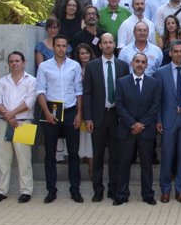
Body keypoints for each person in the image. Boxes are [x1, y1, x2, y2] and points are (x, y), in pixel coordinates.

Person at [36, 34, 83, 204]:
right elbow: (40, 90)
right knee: (50, 154)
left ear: (67, 47)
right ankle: (51, 190)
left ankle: (75, 189)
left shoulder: (75, 66)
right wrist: (47, 113)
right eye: (58, 46)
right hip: (51, 112)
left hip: (70, 110)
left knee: (73, 153)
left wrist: (79, 113)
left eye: (64, 46)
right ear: (53, 47)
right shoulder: (44, 67)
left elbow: (79, 91)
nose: (61, 48)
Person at [83, 33, 130, 202]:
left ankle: (113, 188)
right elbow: (87, 94)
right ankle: (98, 190)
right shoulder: (91, 66)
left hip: (117, 117)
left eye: (111, 42)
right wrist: (87, 118)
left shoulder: (123, 66)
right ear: (100, 46)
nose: (108, 45)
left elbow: (126, 94)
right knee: (98, 155)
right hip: (98, 116)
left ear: (114, 44)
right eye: (105, 42)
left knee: (115, 156)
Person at [111, 53, 161, 206]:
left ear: (147, 65)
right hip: (127, 129)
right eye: (137, 61)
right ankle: (121, 194)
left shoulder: (154, 83)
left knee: (146, 164)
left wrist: (141, 125)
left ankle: (147, 194)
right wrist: (133, 124)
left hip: (146, 130)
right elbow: (119, 105)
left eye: (143, 62)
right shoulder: (121, 82)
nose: (140, 64)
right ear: (132, 63)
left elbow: (155, 106)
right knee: (124, 163)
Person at [155, 41, 181, 203]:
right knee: (167, 155)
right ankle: (165, 190)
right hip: (168, 119)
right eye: (176, 51)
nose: (179, 54)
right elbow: (157, 99)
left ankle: (180, 190)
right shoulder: (161, 72)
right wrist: (158, 119)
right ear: (170, 53)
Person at [0, 51, 36, 204]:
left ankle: (26, 191)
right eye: (11, 61)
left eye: (17, 60)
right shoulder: (3, 81)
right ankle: (1, 191)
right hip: (4, 122)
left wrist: (12, 114)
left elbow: (30, 101)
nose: (14, 63)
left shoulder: (31, 81)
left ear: (23, 62)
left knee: (24, 159)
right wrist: (8, 116)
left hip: (24, 123)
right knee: (3, 158)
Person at [74, 44, 95, 177]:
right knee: (80, 139)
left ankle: (92, 170)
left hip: (92, 109)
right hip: (76, 108)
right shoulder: (74, 69)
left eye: (87, 53)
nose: (85, 56)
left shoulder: (96, 67)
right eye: (82, 53)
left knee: (91, 140)